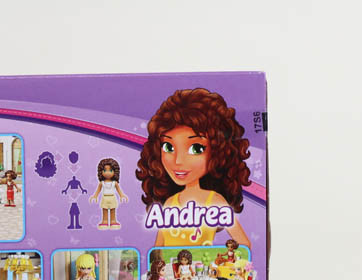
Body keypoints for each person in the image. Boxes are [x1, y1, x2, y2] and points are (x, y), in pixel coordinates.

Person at [137, 88, 252, 248]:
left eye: (196, 149)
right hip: (169, 265)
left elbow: (244, 245)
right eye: (169, 147)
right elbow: (158, 249)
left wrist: (220, 258)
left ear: (218, 152)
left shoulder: (215, 201)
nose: (178, 161)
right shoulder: (170, 203)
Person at [89, 158, 128, 228]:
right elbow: (98, 190)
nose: (107, 173)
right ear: (101, 171)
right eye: (104, 170)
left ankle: (113, 221)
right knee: (105, 210)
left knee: (113, 210)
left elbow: (119, 190)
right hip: (105, 198)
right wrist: (95, 196)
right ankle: (105, 221)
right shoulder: (102, 183)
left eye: (110, 170)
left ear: (115, 172)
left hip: (112, 197)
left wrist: (122, 195)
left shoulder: (114, 183)